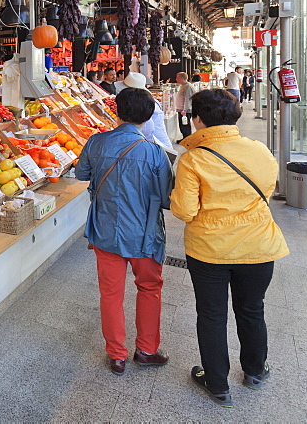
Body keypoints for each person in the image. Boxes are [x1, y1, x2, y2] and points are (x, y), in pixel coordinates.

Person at [170, 89, 289, 408]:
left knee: (211, 314)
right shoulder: (259, 150)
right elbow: (268, 187)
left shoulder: (193, 158)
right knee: (252, 309)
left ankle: (217, 382)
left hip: (209, 251)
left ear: (197, 119)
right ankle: (254, 372)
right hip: (258, 245)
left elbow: (183, 211)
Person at [76, 88, 174, 375]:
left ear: (116, 111)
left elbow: (82, 174)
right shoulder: (154, 152)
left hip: (105, 231)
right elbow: (167, 198)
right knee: (149, 288)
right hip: (145, 234)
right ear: (148, 117)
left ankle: (116, 355)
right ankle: (146, 350)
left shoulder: (97, 142)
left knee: (110, 293)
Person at [123, 73, 171, 148]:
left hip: (158, 146)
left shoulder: (143, 103)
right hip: (158, 144)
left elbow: (148, 128)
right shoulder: (147, 101)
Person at [175, 72, 194, 140]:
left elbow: (188, 99)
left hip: (184, 110)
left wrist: (185, 109)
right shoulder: (183, 86)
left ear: (182, 78)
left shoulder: (187, 86)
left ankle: (187, 139)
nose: (176, 79)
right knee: (182, 125)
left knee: (185, 125)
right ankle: (185, 138)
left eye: (178, 78)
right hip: (181, 109)